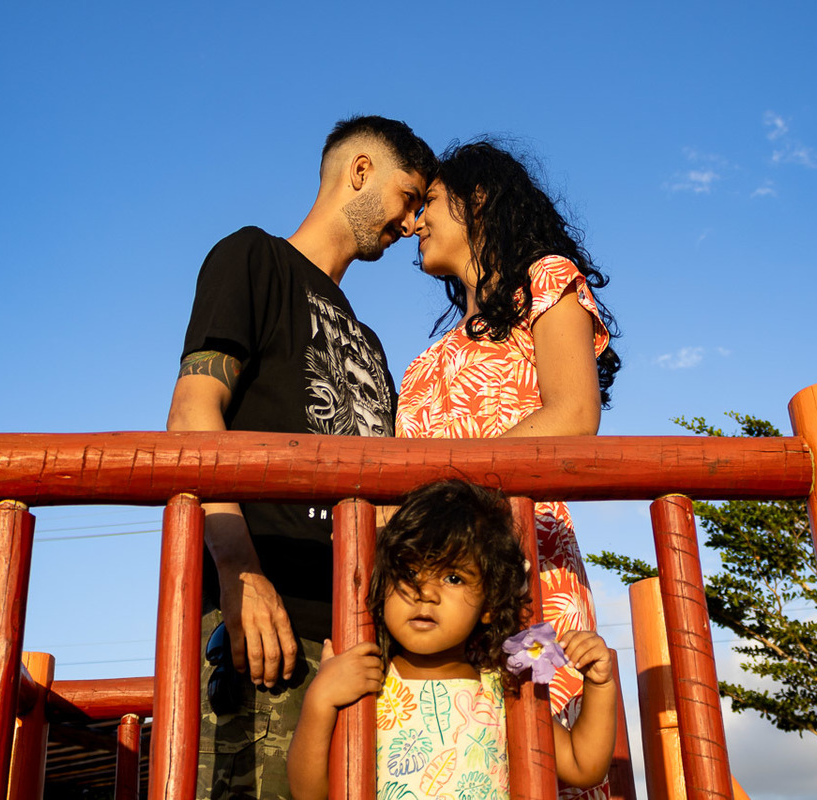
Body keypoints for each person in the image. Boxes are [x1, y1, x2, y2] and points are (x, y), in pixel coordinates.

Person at [167, 115, 436, 799]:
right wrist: (238, 572)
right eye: (410, 198)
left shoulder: (372, 345)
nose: (411, 224)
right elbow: (194, 413)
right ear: (361, 171)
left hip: (364, 645)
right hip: (266, 626)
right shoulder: (252, 258)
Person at [396, 140, 620, 799]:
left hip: (526, 584)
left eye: (430, 202)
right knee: (452, 759)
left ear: (480, 199)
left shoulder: (545, 280)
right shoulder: (426, 360)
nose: (413, 222)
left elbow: (575, 412)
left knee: (538, 748)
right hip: (435, 590)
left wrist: (451, 493)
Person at [287, 480, 618, 800]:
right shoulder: (368, 680)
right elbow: (310, 793)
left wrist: (599, 685)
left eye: (453, 577)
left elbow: (581, 766)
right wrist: (321, 699)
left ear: (489, 604)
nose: (426, 593)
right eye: (409, 572)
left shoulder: (503, 690)